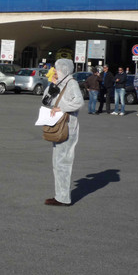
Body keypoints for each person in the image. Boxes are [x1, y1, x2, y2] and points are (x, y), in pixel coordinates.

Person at [43, 58, 84, 206]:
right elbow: (45, 100)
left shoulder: (71, 83)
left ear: (64, 69)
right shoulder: (59, 83)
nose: (54, 71)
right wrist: (52, 85)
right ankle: (59, 195)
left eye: (57, 69)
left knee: (63, 162)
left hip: (67, 126)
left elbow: (79, 102)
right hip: (57, 124)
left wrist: (61, 108)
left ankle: (63, 198)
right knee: (58, 162)